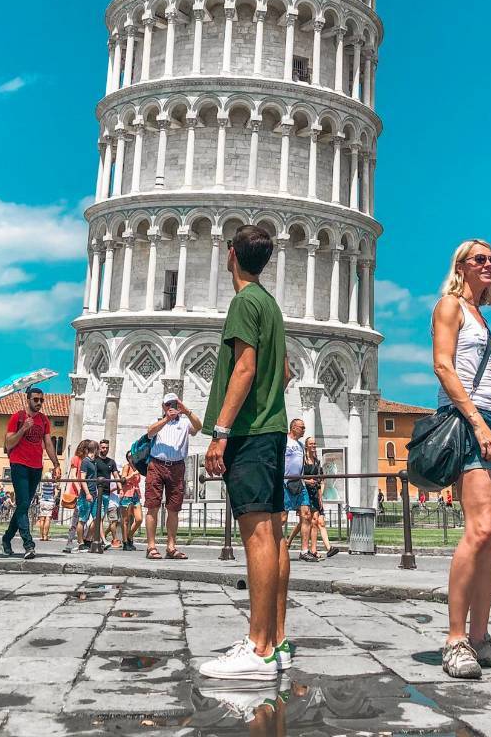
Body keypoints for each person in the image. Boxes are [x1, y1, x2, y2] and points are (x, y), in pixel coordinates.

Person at [432, 238, 491, 680]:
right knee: (475, 530)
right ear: (462, 266)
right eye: (480, 259)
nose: (489, 264)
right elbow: (443, 367)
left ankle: (483, 637)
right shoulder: (448, 306)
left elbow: (490, 377)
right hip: (468, 422)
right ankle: (455, 640)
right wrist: (478, 422)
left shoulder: (483, 319)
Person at [201, 224, 290, 680]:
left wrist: (220, 431)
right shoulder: (270, 305)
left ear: (231, 254)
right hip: (272, 430)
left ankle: (257, 649)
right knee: (273, 536)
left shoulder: (243, 302)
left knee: (256, 537)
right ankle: (276, 639)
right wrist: (271, 398)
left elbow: (245, 367)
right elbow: (287, 371)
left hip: (250, 435)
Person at [1, 386, 61, 559]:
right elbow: (9, 444)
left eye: (41, 400)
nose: (39, 403)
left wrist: (56, 464)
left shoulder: (44, 420)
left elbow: (48, 444)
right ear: (28, 400)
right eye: (36, 399)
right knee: (24, 502)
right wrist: (24, 428)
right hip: (19, 464)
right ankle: (29, 544)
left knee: (23, 505)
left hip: (36, 467)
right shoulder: (17, 417)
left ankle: (6, 539)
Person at [144, 391, 202, 561]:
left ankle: (171, 546)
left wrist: (187, 411)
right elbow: (150, 432)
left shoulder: (184, 423)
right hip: (157, 465)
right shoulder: (159, 422)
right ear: (163, 407)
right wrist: (166, 419)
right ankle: (151, 546)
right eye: (168, 405)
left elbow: (198, 427)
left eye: (174, 404)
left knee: (174, 508)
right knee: (152, 505)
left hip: (177, 467)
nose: (171, 408)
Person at [287, 438, 339, 560]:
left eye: (315, 443)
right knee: (305, 521)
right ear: (306, 446)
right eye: (311, 443)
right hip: (304, 491)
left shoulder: (316, 461)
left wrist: (320, 495)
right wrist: (306, 481)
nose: (314, 445)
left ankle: (313, 549)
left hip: (315, 492)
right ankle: (291, 543)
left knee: (314, 520)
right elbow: (297, 476)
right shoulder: (302, 460)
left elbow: (320, 479)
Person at [281, 419, 314, 561]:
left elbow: (300, 467)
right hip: (284, 483)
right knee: (282, 518)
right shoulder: (283, 441)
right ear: (294, 428)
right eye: (302, 427)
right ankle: (277, 548)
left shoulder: (301, 446)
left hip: (299, 484)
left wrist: (304, 480)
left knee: (306, 515)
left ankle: (304, 551)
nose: (304, 430)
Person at [62, 439, 92, 554]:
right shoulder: (76, 459)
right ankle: (69, 542)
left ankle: (82, 541)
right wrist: (80, 489)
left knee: (85, 519)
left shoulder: (89, 461)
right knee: (76, 519)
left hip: (87, 491)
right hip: (78, 492)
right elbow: (73, 475)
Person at [94, 439, 123, 549]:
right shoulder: (95, 460)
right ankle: (102, 540)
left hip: (106, 493)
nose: (105, 449)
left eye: (106, 447)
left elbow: (116, 476)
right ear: (99, 448)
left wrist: (120, 489)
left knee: (100, 517)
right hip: (97, 492)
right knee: (99, 517)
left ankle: (97, 539)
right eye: (103, 447)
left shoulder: (111, 462)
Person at [76, 442, 99, 549]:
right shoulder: (85, 461)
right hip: (86, 494)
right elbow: (82, 479)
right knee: (83, 519)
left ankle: (88, 539)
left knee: (96, 518)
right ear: (95, 449)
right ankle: (80, 542)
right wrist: (87, 493)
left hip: (95, 493)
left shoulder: (94, 462)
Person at [119, 452, 142, 550]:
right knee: (126, 520)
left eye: (132, 456)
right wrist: (132, 475)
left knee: (139, 519)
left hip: (136, 494)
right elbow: (123, 479)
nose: (131, 458)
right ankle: (125, 542)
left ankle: (129, 536)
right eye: (129, 457)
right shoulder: (126, 467)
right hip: (127, 494)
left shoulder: (137, 467)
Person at [36, 472, 57, 542]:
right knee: (48, 519)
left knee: (42, 519)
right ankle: (45, 536)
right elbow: (56, 488)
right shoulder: (52, 485)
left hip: (43, 501)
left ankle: (41, 536)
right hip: (50, 501)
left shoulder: (42, 484)